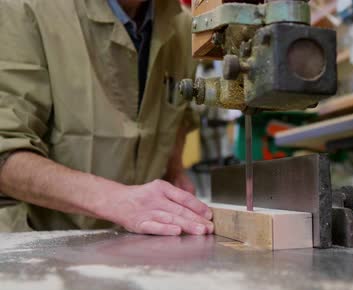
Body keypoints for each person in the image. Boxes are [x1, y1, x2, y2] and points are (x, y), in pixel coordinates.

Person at [0, 0, 214, 236]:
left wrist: (175, 172)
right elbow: (5, 153)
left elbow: (179, 114)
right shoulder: (24, 9)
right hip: (41, 241)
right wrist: (118, 201)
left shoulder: (183, 26)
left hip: (136, 244)